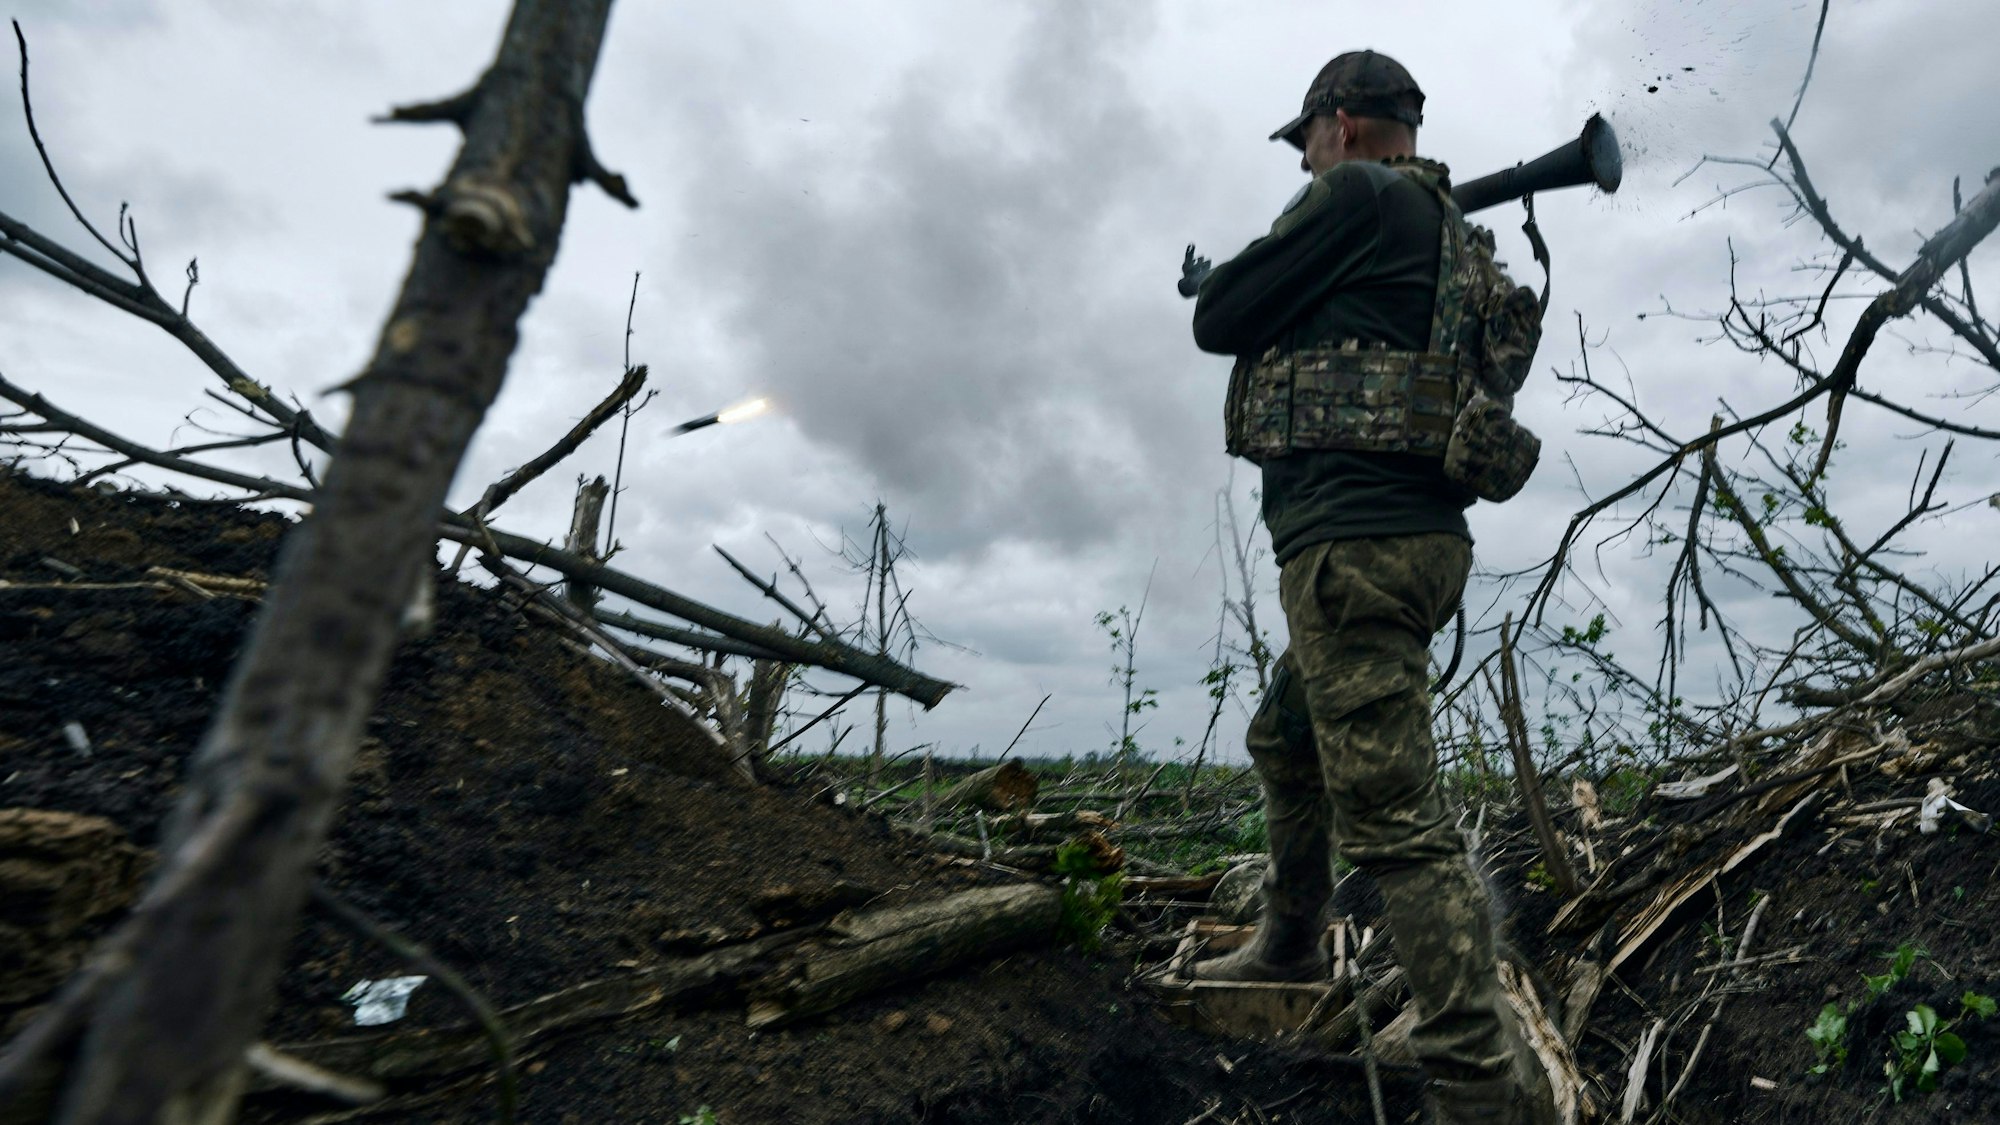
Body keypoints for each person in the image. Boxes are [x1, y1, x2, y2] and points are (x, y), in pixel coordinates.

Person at [1187, 51, 1554, 1125]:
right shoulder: (1434, 226)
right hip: (1407, 544)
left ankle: (1480, 1091)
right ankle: (1286, 941)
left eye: (1302, 141)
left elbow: (1218, 315)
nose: (1301, 160)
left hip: (1352, 546)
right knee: (1285, 737)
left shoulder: (1351, 195)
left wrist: (1241, 270)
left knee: (1395, 822)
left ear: (1339, 126)